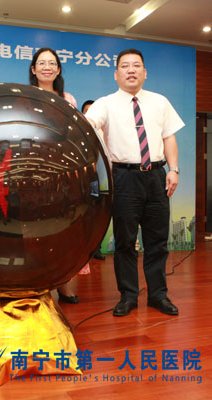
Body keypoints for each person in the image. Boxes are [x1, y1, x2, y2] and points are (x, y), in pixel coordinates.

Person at [85, 48, 183, 317]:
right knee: (125, 242)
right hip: (123, 178)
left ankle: (158, 295)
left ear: (145, 72)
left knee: (157, 241)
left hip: (157, 176)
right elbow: (89, 123)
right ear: (116, 74)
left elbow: (169, 138)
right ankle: (128, 296)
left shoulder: (160, 102)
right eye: (125, 66)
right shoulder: (105, 103)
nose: (131, 70)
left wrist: (174, 169)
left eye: (136, 65)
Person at [29, 47, 83, 304]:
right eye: (42, 63)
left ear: (58, 69)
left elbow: (73, 134)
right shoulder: (25, 97)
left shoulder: (68, 99)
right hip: (33, 169)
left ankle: (64, 284)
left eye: (52, 63)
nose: (47, 67)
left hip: (62, 170)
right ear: (33, 69)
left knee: (64, 229)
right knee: (37, 228)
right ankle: (39, 284)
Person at [81, 99, 105, 261]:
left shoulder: (104, 132)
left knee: (101, 212)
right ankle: (86, 248)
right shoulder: (78, 133)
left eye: (92, 110)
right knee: (87, 212)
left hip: (103, 178)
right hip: (85, 178)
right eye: (86, 111)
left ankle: (97, 247)